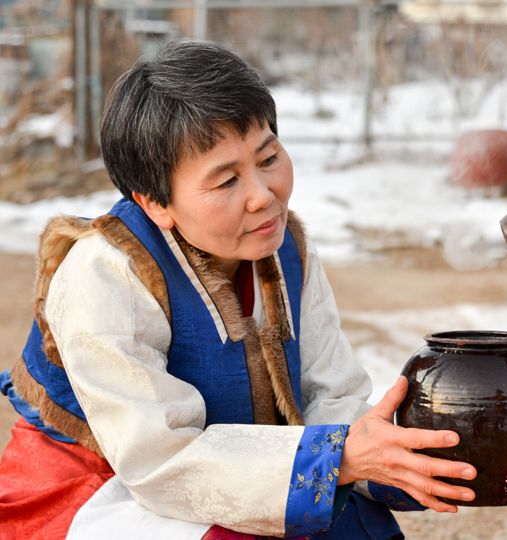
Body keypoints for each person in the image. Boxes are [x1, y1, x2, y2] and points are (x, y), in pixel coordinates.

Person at [0, 41, 476, 539]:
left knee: (356, 526)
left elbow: (328, 393)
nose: (262, 195)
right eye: (226, 181)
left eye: (268, 158)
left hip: (231, 469)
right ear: (154, 202)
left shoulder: (287, 249)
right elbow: (158, 460)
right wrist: (336, 459)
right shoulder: (106, 274)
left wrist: (385, 454)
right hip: (92, 483)